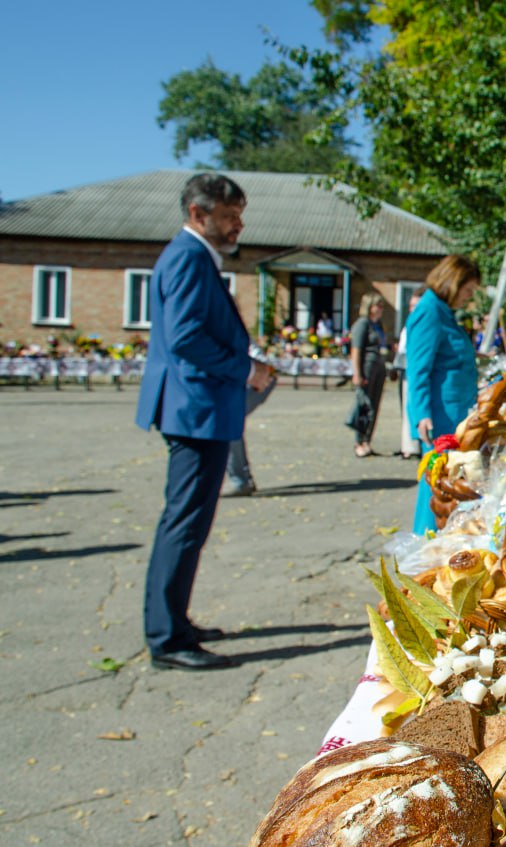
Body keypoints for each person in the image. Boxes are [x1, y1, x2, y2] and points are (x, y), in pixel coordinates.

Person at [135, 172, 271, 671]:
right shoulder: (189, 256)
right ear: (199, 213)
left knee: (189, 522)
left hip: (199, 408)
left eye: (239, 217)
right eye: (230, 216)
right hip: (195, 410)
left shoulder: (191, 256)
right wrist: (247, 369)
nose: (238, 226)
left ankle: (174, 620)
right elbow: (188, 338)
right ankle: (167, 638)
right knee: (184, 523)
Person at [405, 255, 481, 534]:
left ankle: (439, 544)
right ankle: (425, 547)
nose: (468, 298)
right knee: (435, 487)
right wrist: (422, 414)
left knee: (447, 487)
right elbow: (418, 369)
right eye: (468, 291)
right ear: (453, 282)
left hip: (455, 413)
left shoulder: (443, 312)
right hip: (440, 417)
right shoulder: (430, 311)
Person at [223, 342, 276, 496]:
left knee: (229, 421)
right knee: (228, 422)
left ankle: (240, 480)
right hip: (244, 378)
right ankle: (240, 478)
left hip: (257, 377)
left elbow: (258, 361)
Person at [346, 293, 390, 458]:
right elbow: (356, 350)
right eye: (378, 305)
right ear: (369, 306)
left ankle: (367, 440)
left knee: (375, 405)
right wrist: (356, 373)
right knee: (364, 406)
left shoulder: (377, 325)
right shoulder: (362, 324)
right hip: (366, 368)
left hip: (379, 368)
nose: (380, 309)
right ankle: (359, 441)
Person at [394, 287, 424, 460]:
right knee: (409, 406)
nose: (412, 309)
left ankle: (413, 444)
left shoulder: (415, 323)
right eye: (411, 306)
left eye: (415, 305)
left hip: (412, 368)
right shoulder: (412, 324)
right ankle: (409, 446)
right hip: (409, 368)